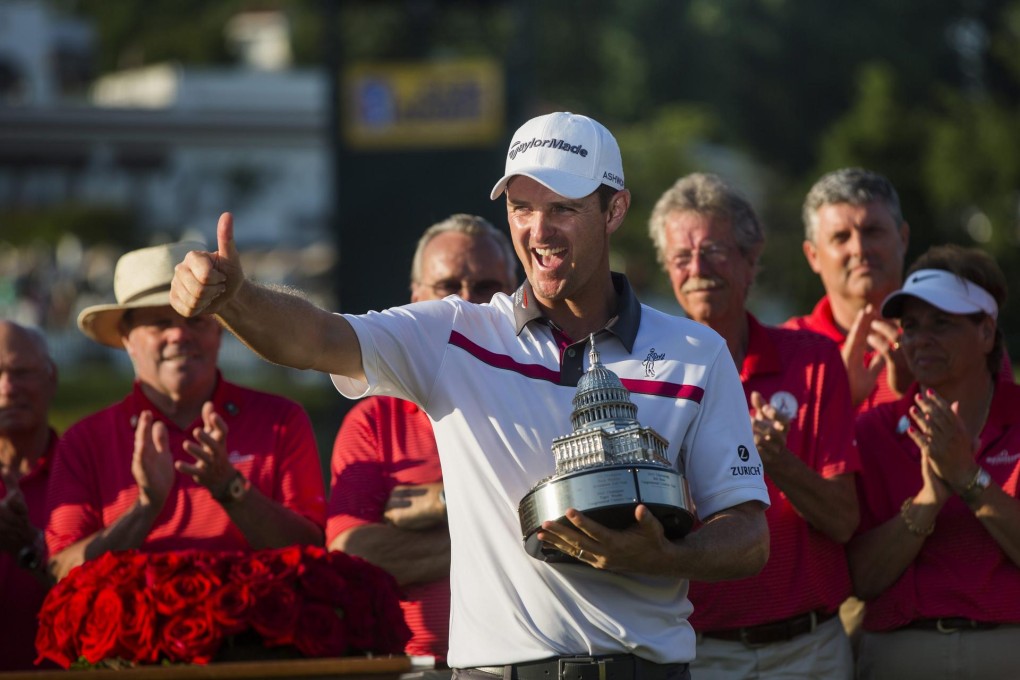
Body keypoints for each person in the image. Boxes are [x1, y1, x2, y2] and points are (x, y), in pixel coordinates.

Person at [170, 111, 771, 678]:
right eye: (521, 207)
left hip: (647, 669)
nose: (538, 231)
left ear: (614, 210)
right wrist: (238, 299)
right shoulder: (454, 331)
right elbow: (315, 338)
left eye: (562, 208)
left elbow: (747, 534)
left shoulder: (696, 353)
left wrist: (667, 558)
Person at [649, 173, 858, 678]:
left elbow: (844, 520)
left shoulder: (813, 361)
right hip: (702, 651)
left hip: (812, 647)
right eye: (681, 257)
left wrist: (777, 460)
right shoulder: (648, 373)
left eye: (715, 251)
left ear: (750, 258)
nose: (697, 269)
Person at [45, 242, 326, 581]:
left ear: (221, 329)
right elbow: (59, 571)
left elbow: (316, 553)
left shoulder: (281, 422)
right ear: (126, 337)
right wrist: (145, 508)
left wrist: (231, 488)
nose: (179, 335)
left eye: (196, 320)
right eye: (161, 324)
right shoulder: (84, 442)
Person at [328, 213, 517, 667]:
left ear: (515, 296)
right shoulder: (373, 420)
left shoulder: (546, 392)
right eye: (449, 287)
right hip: (415, 664)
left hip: (532, 661)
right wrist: (509, 528)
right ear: (415, 300)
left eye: (488, 287)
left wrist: (437, 503)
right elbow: (352, 560)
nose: (468, 304)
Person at [848, 245, 1020, 680]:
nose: (919, 339)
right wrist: (928, 499)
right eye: (910, 326)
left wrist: (967, 477)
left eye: (941, 323)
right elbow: (860, 580)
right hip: (900, 653)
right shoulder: (872, 430)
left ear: (986, 332)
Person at [783, 167, 913, 413]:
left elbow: (997, 444)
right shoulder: (783, 352)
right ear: (813, 256)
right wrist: (838, 401)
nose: (859, 249)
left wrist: (922, 388)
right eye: (841, 237)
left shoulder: (958, 332)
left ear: (903, 238)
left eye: (872, 231)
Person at [0, 321, 59, 670]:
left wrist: (29, 548)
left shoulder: (84, 473)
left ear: (52, 379)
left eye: (22, 372)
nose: (7, 388)